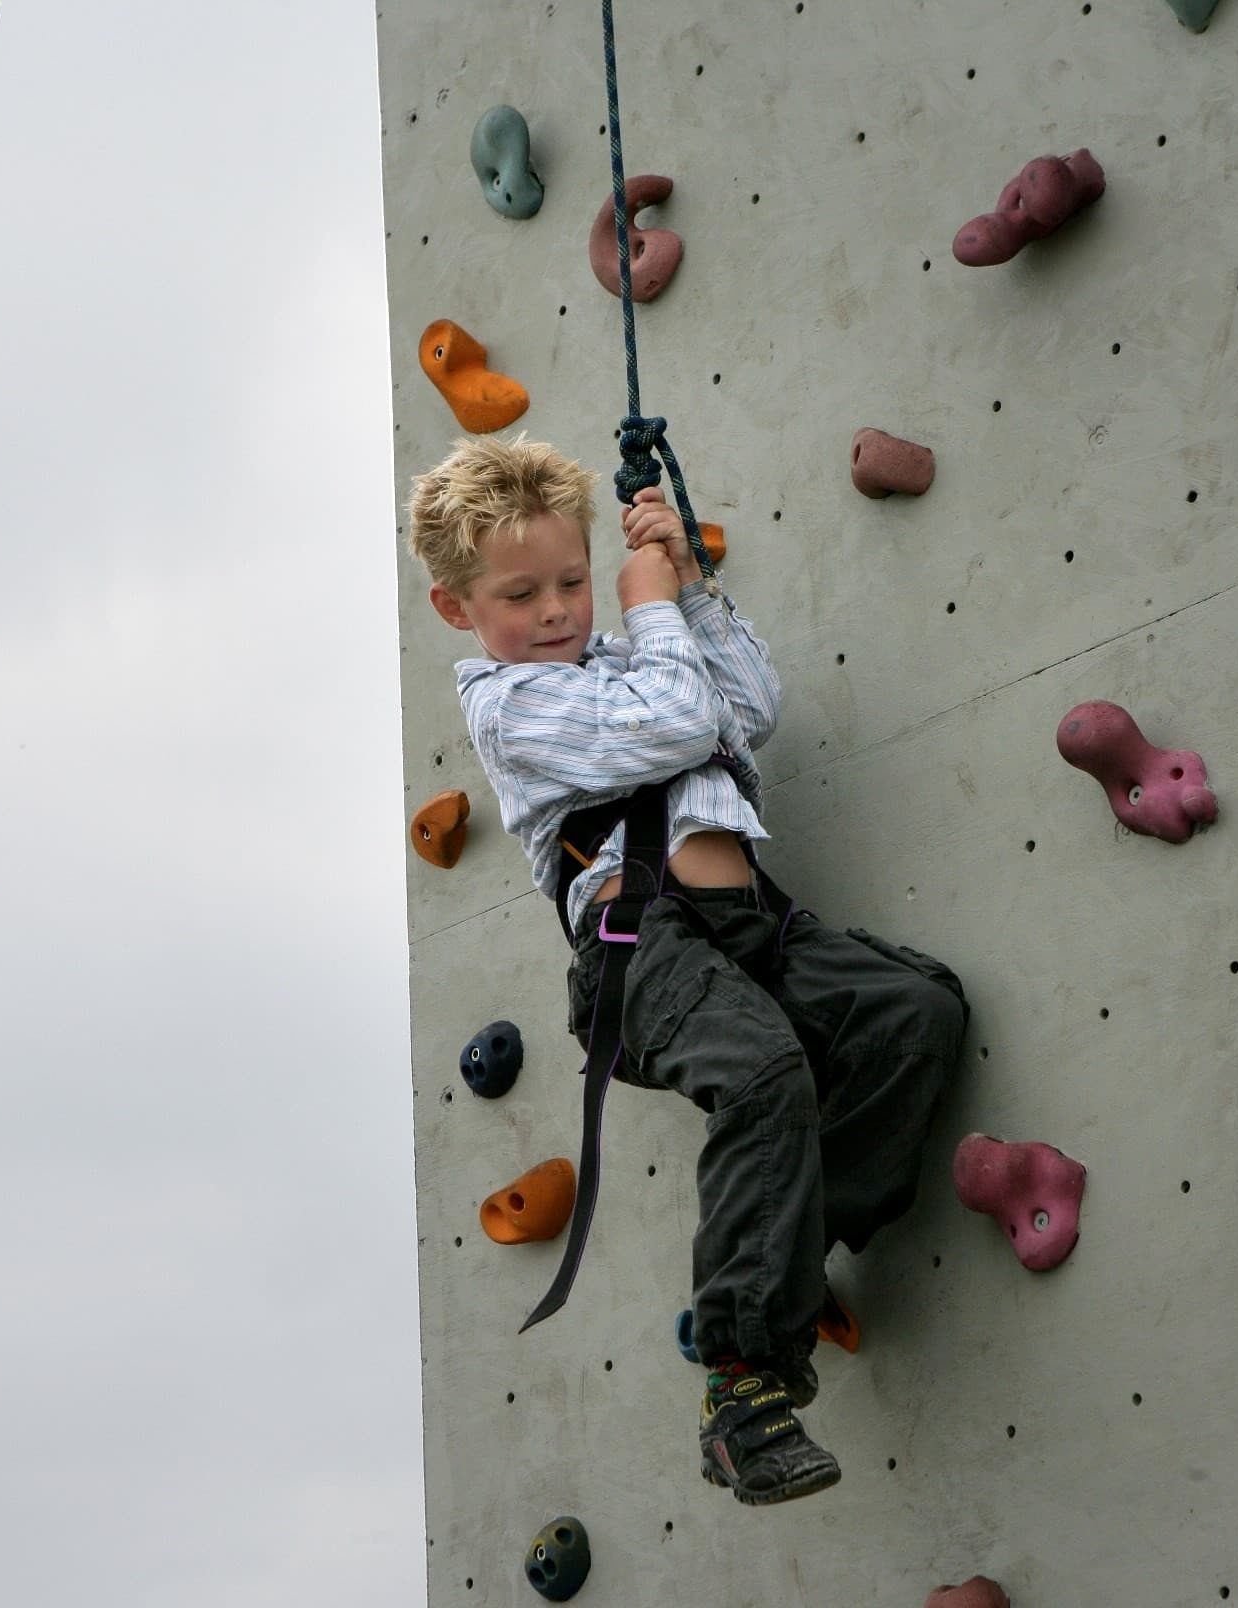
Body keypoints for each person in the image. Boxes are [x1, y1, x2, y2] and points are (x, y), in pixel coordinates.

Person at [406, 433, 968, 1507]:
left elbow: (745, 709)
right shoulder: (509, 706)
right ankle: (743, 1382)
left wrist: (691, 589)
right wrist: (650, 604)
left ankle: (787, 1247)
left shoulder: (630, 659)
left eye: (574, 581)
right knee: (761, 1078)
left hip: (748, 919)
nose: (562, 609)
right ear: (458, 609)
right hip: (643, 951)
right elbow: (677, 725)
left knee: (914, 1013)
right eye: (522, 594)